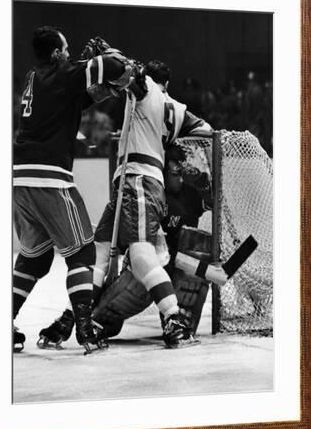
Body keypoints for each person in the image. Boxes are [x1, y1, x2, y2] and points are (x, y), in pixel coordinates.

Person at [39, 59, 212, 349]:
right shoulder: (179, 109)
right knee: (99, 254)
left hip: (139, 180)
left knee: (139, 254)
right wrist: (169, 142)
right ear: (167, 84)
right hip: (129, 184)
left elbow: (130, 76)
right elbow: (207, 131)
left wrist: (105, 56)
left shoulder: (145, 91)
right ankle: (74, 318)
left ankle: (173, 319)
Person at [13, 26, 133, 354]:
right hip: (51, 179)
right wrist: (114, 59)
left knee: (33, 261)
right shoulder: (64, 72)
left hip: (21, 180)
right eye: (65, 50)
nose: (69, 54)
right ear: (55, 54)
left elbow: (79, 96)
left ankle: (1, 321)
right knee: (82, 253)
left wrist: (96, 78)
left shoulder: (34, 78)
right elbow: (115, 66)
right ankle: (84, 329)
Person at [38, 144, 213, 346]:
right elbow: (99, 261)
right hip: (146, 276)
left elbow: (215, 201)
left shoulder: (189, 192)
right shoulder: (130, 200)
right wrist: (72, 313)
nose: (180, 179)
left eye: (181, 173)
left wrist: (204, 182)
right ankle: (72, 319)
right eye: (175, 174)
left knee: (198, 251)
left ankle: (175, 323)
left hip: (180, 270)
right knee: (102, 318)